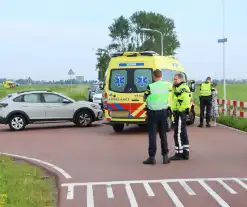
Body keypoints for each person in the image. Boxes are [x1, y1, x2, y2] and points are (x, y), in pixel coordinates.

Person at [142, 69, 170, 165]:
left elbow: (144, 97)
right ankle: (165, 156)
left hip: (153, 113)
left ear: (154, 76)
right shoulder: (166, 86)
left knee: (152, 135)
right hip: (163, 112)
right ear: (161, 76)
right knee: (163, 135)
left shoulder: (150, 86)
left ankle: (152, 157)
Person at [169, 73, 191, 160]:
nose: (174, 81)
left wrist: (179, 110)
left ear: (181, 79)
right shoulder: (176, 87)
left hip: (180, 113)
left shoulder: (183, 88)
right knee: (183, 133)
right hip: (178, 112)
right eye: (174, 79)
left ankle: (179, 153)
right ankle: (185, 153)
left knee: (177, 133)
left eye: (176, 79)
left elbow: (186, 101)